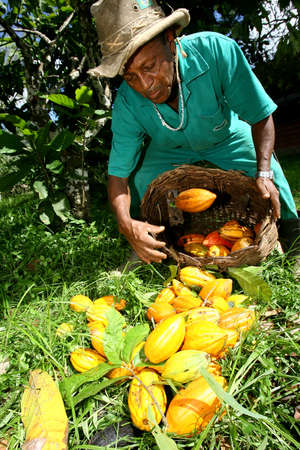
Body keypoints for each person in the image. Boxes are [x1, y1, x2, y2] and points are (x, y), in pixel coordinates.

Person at [88, 0, 300, 269]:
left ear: (170, 40)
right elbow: (118, 176)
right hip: (169, 148)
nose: (145, 85)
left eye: (149, 66)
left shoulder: (215, 51)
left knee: (272, 174)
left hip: (225, 135)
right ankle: (154, 242)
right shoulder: (128, 103)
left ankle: (295, 240)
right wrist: (125, 224)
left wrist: (264, 172)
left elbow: (260, 115)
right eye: (130, 77)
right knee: (143, 178)